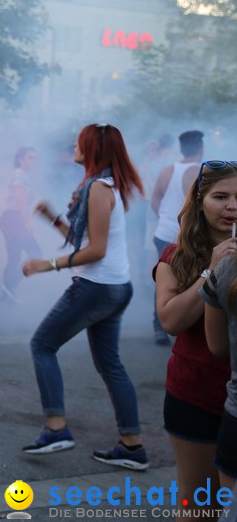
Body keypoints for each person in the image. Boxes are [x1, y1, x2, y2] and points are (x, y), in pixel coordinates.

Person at [22, 123, 148, 470]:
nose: (74, 146)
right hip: (115, 288)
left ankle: (56, 429)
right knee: (110, 365)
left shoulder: (97, 189)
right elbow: (85, 240)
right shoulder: (107, 186)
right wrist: (52, 219)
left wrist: (46, 264)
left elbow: (96, 250)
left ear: (91, 150)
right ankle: (132, 446)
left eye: (79, 142)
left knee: (42, 346)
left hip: (96, 288)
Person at [155, 161, 236, 513]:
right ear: (200, 201)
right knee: (201, 506)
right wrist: (212, 271)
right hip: (196, 395)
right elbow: (170, 320)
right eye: (221, 197)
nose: (232, 206)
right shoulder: (176, 257)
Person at [199, 175, 237, 518]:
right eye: (221, 196)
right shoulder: (223, 265)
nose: (232, 207)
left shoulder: (227, 267)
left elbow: (218, 346)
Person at [152, 131, 206, 344]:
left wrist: (165, 219)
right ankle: (185, 327)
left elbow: (154, 200)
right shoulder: (200, 172)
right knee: (191, 280)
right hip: (185, 237)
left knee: (163, 282)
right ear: (201, 150)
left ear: (181, 149)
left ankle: (158, 328)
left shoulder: (167, 170)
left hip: (163, 234)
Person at [0, 147, 43, 303]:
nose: (33, 161)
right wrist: (27, 222)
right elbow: (20, 200)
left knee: (16, 257)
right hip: (13, 219)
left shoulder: (24, 176)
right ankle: (9, 289)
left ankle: (8, 293)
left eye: (35, 158)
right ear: (20, 159)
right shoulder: (19, 175)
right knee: (34, 254)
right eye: (30, 157)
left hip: (13, 219)